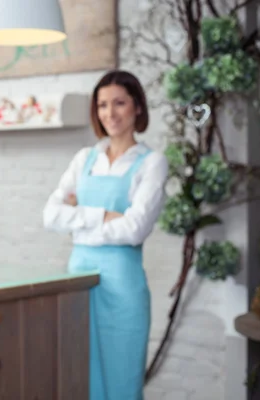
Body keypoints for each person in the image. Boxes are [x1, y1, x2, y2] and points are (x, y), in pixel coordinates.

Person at [43, 70, 168, 400]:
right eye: (102, 105)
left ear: (137, 107)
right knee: (81, 380)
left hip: (123, 291)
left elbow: (135, 228)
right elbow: (51, 215)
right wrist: (103, 215)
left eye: (119, 103)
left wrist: (79, 222)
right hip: (79, 284)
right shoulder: (85, 158)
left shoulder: (152, 163)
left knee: (122, 382)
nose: (110, 113)